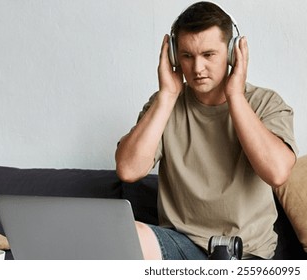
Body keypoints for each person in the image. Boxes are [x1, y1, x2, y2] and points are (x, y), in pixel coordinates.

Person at [115, 1, 297, 260]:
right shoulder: (164, 105)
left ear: (232, 53)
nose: (197, 68)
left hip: (245, 252)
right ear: (174, 58)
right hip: (182, 244)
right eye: (187, 56)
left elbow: (277, 172)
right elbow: (128, 170)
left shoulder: (266, 104)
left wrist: (235, 95)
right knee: (127, 235)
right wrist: (167, 95)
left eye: (208, 55)